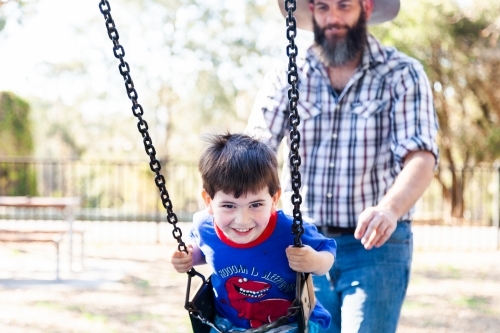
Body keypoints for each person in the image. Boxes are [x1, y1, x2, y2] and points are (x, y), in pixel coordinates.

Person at [245, 0, 439, 332]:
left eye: (343, 5)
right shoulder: (289, 73)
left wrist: (389, 209)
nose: (332, 17)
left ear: (365, 8)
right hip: (303, 241)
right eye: (322, 7)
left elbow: (420, 156)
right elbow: (256, 147)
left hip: (377, 246)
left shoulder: (401, 73)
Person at [170, 133, 337, 333]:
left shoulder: (289, 230)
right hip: (228, 323)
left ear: (274, 198)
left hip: (288, 324)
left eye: (256, 204)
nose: (243, 220)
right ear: (209, 201)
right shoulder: (204, 227)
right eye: (229, 206)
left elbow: (327, 252)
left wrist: (315, 262)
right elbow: (203, 251)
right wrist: (189, 258)